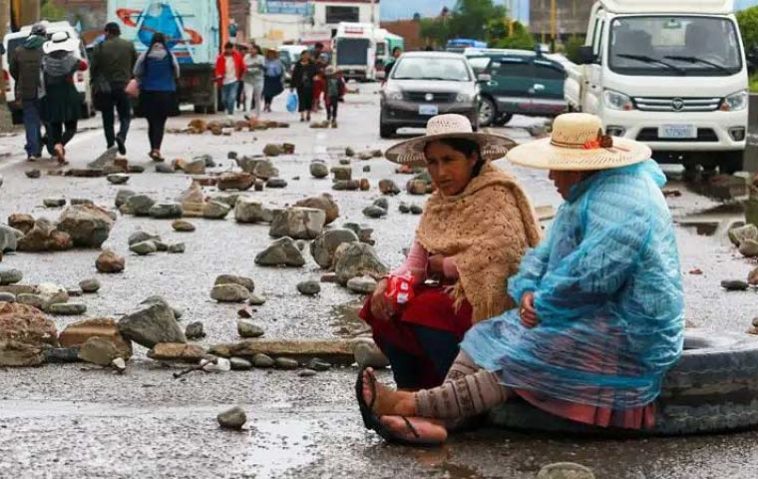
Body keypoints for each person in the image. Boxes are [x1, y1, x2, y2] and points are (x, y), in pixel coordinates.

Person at [357, 113, 685, 445]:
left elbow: (592, 277)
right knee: (484, 341)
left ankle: (411, 403)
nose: (552, 175)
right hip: (590, 310)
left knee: (522, 356)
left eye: (557, 167)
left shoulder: (622, 202)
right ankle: (443, 421)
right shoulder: (584, 197)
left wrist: (542, 301)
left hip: (627, 324)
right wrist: (529, 288)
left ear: (579, 167)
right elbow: (542, 257)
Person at [360, 114, 542, 391]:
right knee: (384, 307)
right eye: (432, 162)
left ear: (472, 158)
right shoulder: (437, 203)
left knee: (427, 308)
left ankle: (459, 391)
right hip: (454, 294)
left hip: (493, 298)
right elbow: (416, 264)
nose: (440, 172)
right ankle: (411, 390)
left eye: (449, 160)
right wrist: (386, 283)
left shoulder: (497, 194)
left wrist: (444, 265)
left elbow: (505, 255)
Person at [40, 32, 89, 166]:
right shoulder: (70, 59)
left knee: (55, 125)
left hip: (51, 95)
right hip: (68, 94)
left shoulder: (45, 61)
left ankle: (56, 143)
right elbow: (84, 66)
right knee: (71, 127)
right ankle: (60, 145)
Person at [91, 22, 137, 157]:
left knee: (107, 118)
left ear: (107, 32)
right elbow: (135, 64)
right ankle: (122, 136)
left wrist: (94, 81)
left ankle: (110, 144)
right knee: (125, 116)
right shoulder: (128, 45)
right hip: (123, 85)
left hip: (105, 88)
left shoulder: (100, 46)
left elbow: (94, 67)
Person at [133, 33, 179, 162]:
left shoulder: (145, 55)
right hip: (165, 93)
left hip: (148, 93)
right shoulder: (170, 56)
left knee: (151, 122)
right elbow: (177, 72)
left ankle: (153, 147)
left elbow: (136, 71)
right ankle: (157, 149)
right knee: (160, 122)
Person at [9, 22, 47, 161]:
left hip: (26, 91)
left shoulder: (19, 50)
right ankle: (52, 145)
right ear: (43, 34)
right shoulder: (47, 48)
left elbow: (14, 71)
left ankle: (33, 150)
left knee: (31, 121)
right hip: (45, 91)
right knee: (49, 120)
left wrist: (21, 80)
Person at [215, 42, 245, 117]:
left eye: (230, 49)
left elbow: (242, 67)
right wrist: (218, 75)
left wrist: (240, 76)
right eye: (227, 49)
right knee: (224, 99)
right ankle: (227, 108)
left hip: (234, 80)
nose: (229, 50)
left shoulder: (237, 56)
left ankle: (230, 112)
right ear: (225, 49)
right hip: (224, 81)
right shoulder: (220, 58)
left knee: (232, 97)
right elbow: (217, 69)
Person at [290, 50, 317, 122]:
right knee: (301, 100)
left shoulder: (312, 64)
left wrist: (316, 77)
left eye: (307, 55)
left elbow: (317, 73)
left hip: (310, 85)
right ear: (301, 56)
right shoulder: (298, 64)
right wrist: (292, 86)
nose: (306, 56)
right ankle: (302, 115)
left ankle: (308, 114)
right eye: (304, 55)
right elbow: (294, 75)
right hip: (300, 85)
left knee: (309, 100)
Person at [243, 44, 265, 118]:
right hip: (247, 80)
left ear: (257, 50)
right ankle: (247, 113)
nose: (252, 50)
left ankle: (257, 114)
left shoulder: (261, 58)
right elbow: (244, 66)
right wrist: (252, 67)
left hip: (258, 80)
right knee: (248, 96)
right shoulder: (246, 57)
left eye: (253, 49)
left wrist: (250, 68)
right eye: (251, 49)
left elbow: (261, 68)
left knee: (257, 98)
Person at [263, 49, 285, 113]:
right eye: (269, 54)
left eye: (272, 54)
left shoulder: (278, 61)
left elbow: (282, 70)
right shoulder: (265, 61)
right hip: (267, 78)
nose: (271, 55)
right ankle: (266, 104)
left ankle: (269, 105)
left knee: (271, 93)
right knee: (266, 92)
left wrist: (282, 78)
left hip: (275, 78)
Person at [235, 44, 249, 111]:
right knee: (238, 91)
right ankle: (238, 102)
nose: (243, 52)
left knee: (246, 92)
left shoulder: (248, 58)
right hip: (239, 77)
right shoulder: (237, 57)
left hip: (247, 77)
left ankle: (245, 106)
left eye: (244, 51)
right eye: (241, 51)